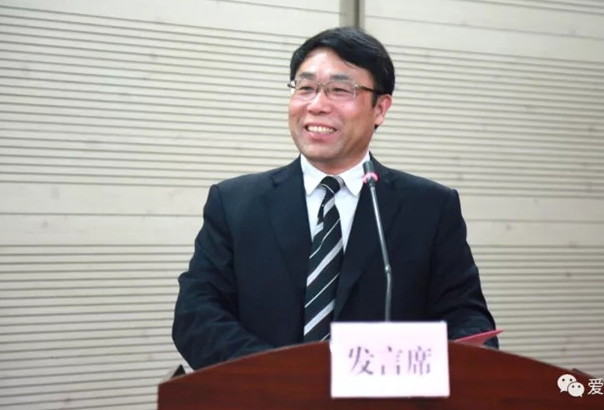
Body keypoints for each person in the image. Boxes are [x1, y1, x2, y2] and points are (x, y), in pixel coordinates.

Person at [172, 26, 498, 370]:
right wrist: (282, 377)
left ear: (380, 108)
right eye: (306, 88)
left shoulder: (430, 208)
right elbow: (197, 315)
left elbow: (466, 318)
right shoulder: (234, 203)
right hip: (266, 394)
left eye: (340, 90)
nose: (317, 105)